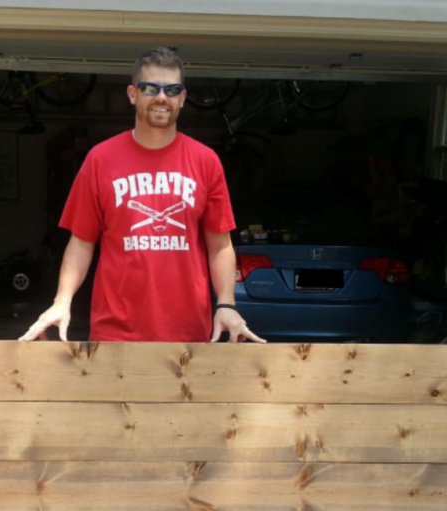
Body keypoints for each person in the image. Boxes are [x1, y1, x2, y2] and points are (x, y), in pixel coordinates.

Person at [19, 47, 264, 344]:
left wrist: (226, 304)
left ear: (183, 98)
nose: (162, 97)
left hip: (189, 333)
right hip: (114, 332)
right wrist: (62, 301)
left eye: (172, 89)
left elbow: (220, 244)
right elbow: (82, 241)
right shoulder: (100, 160)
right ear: (133, 93)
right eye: (150, 88)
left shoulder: (206, 161)